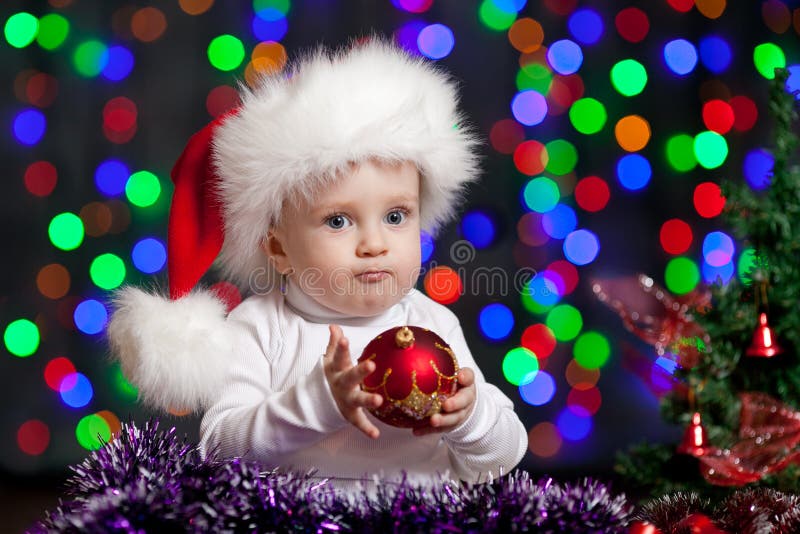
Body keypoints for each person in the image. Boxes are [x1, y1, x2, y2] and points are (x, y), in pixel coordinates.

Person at [108, 38, 527, 490]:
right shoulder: (260, 327)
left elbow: (504, 456)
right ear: (278, 249)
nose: (374, 243)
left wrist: (472, 418)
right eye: (338, 220)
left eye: (395, 216)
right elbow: (219, 448)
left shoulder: (432, 322)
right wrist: (318, 404)